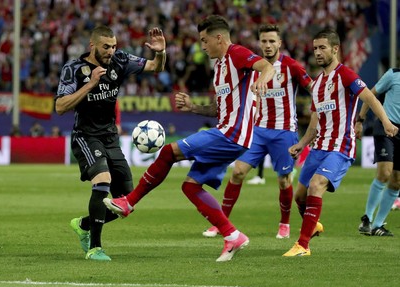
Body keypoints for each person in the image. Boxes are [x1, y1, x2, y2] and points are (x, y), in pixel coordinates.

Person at [105, 15, 276, 262]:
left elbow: (267, 67)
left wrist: (261, 80)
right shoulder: (219, 68)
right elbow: (221, 107)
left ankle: (129, 203)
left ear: (219, 38)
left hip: (231, 134)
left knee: (167, 152)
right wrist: (194, 108)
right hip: (230, 133)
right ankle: (232, 235)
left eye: (205, 41)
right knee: (190, 186)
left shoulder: (237, 53)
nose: (202, 46)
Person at [55, 25, 167, 261]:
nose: (111, 51)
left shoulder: (120, 60)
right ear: (92, 46)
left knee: (126, 200)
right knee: (102, 181)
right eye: (106, 47)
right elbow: (60, 106)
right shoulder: (73, 69)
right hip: (85, 135)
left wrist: (160, 52)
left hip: (109, 137)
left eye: (114, 46)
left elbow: (156, 66)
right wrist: (89, 85)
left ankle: (84, 224)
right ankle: (95, 247)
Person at [282, 29, 397, 257]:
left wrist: (385, 122)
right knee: (299, 197)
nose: (317, 52)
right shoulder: (316, 84)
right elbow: (315, 121)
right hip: (318, 148)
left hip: (340, 147)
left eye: (322, 47)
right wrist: (302, 144)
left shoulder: (345, 75)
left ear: (335, 49)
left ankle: (302, 245)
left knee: (317, 185)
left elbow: (370, 97)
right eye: (315, 48)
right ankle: (313, 225)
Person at [202, 24, 312, 240]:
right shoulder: (253, 65)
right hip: (258, 130)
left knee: (283, 180)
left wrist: (318, 108)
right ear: (259, 43)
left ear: (279, 43)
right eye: (264, 41)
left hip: (284, 131)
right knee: (237, 172)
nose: (268, 45)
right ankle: (221, 223)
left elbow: (313, 88)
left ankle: (284, 224)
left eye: (272, 41)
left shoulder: (291, 66)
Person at [355, 65, 400, 236]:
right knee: (385, 173)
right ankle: (367, 218)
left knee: (396, 181)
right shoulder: (393, 74)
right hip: (386, 128)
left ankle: (378, 225)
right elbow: (370, 95)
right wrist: (360, 120)